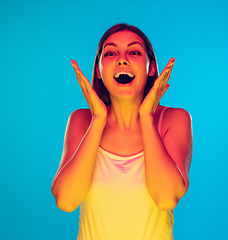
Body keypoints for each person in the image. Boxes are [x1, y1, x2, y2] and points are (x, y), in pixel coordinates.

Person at [51, 23, 193, 240]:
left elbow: (165, 198)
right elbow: (66, 201)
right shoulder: (82, 120)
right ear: (98, 70)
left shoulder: (174, 120)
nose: (122, 59)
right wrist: (98, 119)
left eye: (134, 52)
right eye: (110, 53)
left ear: (151, 68)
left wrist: (146, 116)